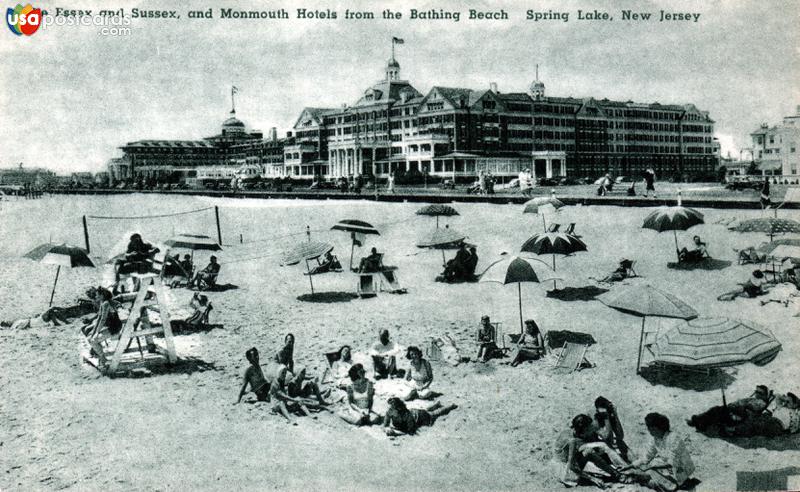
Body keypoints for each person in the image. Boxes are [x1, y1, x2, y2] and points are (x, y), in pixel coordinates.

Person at [621, 413, 695, 491]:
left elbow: (672, 462)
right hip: (669, 467)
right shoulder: (656, 438)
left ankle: (677, 485)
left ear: (660, 428)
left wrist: (653, 467)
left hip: (681, 468)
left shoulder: (674, 438)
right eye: (649, 428)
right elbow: (646, 457)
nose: (650, 431)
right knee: (649, 471)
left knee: (651, 472)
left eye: (652, 429)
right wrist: (630, 466)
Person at [554, 414, 626, 486]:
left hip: (562, 462)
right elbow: (571, 466)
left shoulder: (570, 431)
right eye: (588, 429)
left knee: (591, 450)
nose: (590, 431)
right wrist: (593, 479)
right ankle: (616, 474)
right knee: (589, 452)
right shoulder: (572, 441)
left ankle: (615, 473)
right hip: (565, 471)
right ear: (584, 430)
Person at [687, 385, 771, 432]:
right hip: (736, 411)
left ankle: (697, 421)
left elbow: (750, 411)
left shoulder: (760, 402)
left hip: (737, 416)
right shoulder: (756, 400)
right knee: (716, 410)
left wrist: (736, 407)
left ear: (764, 394)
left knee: (716, 411)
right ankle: (700, 422)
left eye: (759, 392)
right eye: (756, 391)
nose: (756, 393)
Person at [384, 397, 457, 436]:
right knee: (426, 409)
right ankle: (436, 404)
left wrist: (395, 432)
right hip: (414, 411)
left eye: (391, 408)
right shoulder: (390, 412)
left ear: (398, 409)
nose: (389, 410)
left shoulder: (407, 416)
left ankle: (451, 406)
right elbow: (386, 423)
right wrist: (387, 428)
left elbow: (410, 431)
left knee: (434, 413)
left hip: (421, 417)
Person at [594, 397, 630, 461]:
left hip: (608, 444)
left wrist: (615, 414)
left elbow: (620, 435)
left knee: (622, 445)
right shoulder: (595, 417)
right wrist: (606, 417)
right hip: (598, 447)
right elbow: (606, 436)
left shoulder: (609, 413)